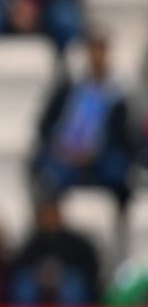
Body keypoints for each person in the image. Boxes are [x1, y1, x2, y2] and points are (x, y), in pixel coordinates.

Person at [31, 32, 135, 206]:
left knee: (118, 170)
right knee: (47, 174)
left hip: (101, 159)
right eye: (93, 50)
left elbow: (123, 138)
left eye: (101, 50)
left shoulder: (118, 96)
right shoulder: (69, 90)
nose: (97, 56)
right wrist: (60, 147)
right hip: (65, 155)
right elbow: (46, 124)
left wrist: (94, 154)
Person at [11, 197, 101, 307]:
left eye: (53, 215)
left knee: (74, 286)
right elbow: (20, 266)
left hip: (67, 279)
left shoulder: (76, 242)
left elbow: (89, 266)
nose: (50, 219)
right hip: (38, 280)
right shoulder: (33, 243)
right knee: (25, 286)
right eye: (46, 216)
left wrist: (63, 272)